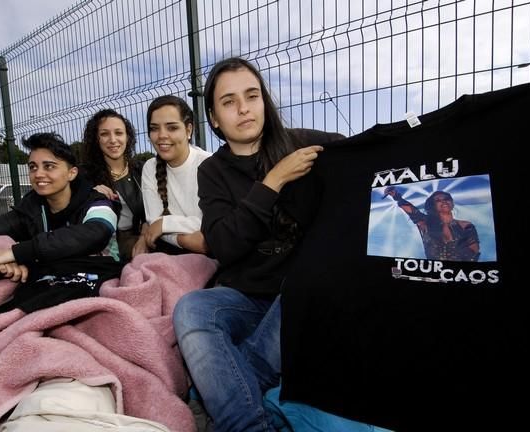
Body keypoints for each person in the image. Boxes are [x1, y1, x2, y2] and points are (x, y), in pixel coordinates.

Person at [172, 57, 344, 431]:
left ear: (264, 101)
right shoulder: (212, 171)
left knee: (311, 279)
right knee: (191, 308)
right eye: (229, 101)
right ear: (214, 119)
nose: (244, 108)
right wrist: (273, 182)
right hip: (246, 297)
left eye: (252, 95)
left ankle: (231, 403)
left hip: (300, 294)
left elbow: (370, 153)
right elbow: (223, 245)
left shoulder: (306, 145)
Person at [0, 132, 122, 314]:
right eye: (33, 167)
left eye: (49, 166)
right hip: (50, 285)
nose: (38, 174)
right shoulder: (29, 210)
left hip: (100, 280)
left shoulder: (97, 203)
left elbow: (95, 233)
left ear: (71, 173)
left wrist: (16, 253)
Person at [136, 95, 211, 255]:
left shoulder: (209, 164)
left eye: (172, 127)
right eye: (154, 128)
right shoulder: (150, 168)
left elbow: (211, 225)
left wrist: (164, 224)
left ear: (188, 130)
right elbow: (153, 223)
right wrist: (183, 240)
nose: (162, 135)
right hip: (172, 251)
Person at [79, 109, 146, 261]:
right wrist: (90, 194)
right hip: (106, 246)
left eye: (119, 133)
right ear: (96, 139)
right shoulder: (84, 176)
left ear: (127, 137)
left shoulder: (141, 170)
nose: (113, 140)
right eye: (104, 134)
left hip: (140, 238)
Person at [383, 186, 480, 261]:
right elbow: (412, 211)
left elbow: (474, 251)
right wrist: (396, 196)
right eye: (438, 200)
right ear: (433, 205)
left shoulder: (466, 225)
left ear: (452, 203)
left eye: (446, 198)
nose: (444, 201)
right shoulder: (425, 224)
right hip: (433, 270)